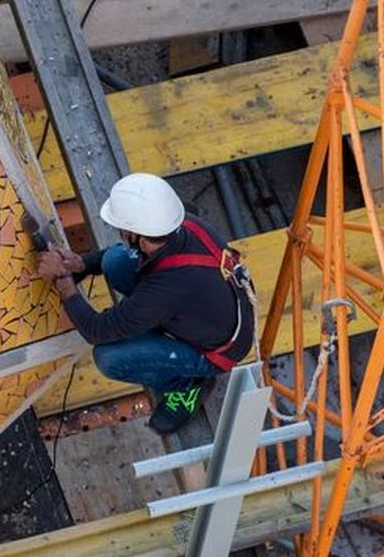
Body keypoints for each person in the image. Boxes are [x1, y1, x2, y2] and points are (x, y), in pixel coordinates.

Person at [37, 172, 256, 434]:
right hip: (209, 308)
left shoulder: (165, 290)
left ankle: (187, 386)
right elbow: (126, 259)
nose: (120, 233)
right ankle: (160, 329)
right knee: (114, 260)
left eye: (122, 229)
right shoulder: (180, 224)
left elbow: (95, 330)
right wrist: (83, 263)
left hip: (215, 351)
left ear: (139, 237)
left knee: (109, 358)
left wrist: (62, 280)